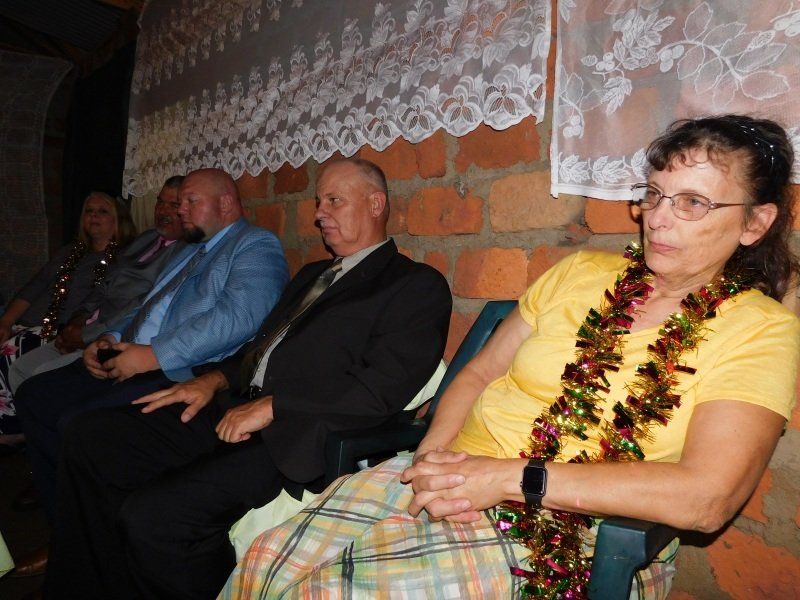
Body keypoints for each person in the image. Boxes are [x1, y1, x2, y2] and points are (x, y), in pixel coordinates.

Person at [221, 114, 800, 600]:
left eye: (693, 202)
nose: (658, 217)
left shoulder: (760, 330)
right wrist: (432, 458)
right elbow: (480, 370)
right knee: (264, 561)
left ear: (755, 222)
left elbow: (707, 498)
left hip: (563, 533)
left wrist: (506, 479)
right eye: (653, 194)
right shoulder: (581, 272)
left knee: (330, 592)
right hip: (451, 472)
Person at [47, 158, 452, 599]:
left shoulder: (414, 285)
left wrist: (278, 406)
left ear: (376, 204)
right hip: (234, 406)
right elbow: (259, 350)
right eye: (319, 202)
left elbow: (381, 389)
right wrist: (214, 381)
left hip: (296, 434)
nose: (319, 213)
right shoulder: (313, 275)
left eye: (334, 201)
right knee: (90, 437)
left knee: (154, 518)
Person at [15, 168, 289, 526]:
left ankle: (95, 526)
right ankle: (65, 519)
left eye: (191, 201)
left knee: (76, 424)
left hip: (179, 368)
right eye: (180, 202)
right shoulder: (188, 250)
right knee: (35, 395)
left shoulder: (254, 244)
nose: (181, 210)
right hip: (130, 353)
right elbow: (146, 304)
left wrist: (154, 355)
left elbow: (239, 316)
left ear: (225, 203)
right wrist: (110, 337)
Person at [7, 176, 187, 393]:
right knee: (19, 370)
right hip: (80, 327)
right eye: (160, 202)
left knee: (39, 380)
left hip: (111, 337)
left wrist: (85, 335)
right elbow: (103, 285)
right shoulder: (147, 238)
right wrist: (78, 320)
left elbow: (142, 305)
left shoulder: (184, 251)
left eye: (173, 205)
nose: (162, 210)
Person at [0, 192, 136, 443]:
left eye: (102, 211)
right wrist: (6, 321)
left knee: (8, 353)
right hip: (31, 323)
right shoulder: (70, 252)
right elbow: (33, 287)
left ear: (119, 219)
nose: (94, 216)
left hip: (61, 331)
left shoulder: (124, 258)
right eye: (89, 211)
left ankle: (14, 429)